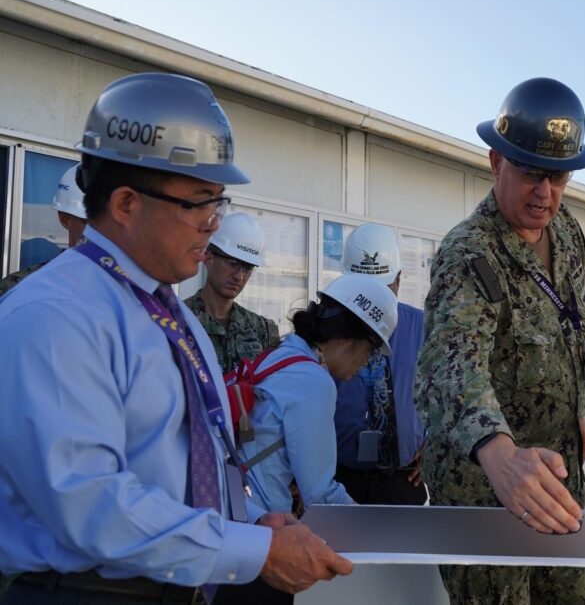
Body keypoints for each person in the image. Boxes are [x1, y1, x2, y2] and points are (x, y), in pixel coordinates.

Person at [0, 72, 350, 604]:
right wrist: (254, 551)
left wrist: (253, 522)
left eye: (218, 203)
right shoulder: (57, 315)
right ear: (125, 204)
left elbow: (184, 466)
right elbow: (90, 504)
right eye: (198, 203)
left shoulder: (169, 315)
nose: (213, 224)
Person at [416, 77, 585, 604]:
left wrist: (577, 410)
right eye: (531, 174)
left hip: (554, 480)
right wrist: (498, 451)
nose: (545, 194)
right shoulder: (469, 253)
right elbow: (450, 365)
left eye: (558, 177)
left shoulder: (567, 234)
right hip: (484, 492)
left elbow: (571, 328)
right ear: (496, 163)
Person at [218, 274, 397, 605]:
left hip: (234, 521)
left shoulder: (284, 353)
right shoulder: (314, 381)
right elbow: (320, 493)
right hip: (264, 539)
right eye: (371, 351)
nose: (367, 364)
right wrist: (379, 530)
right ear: (349, 339)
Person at [333, 223, 429, 505]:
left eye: (380, 290)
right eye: (363, 291)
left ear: (398, 280)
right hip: (339, 481)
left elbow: (453, 395)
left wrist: (436, 448)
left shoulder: (424, 328)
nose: (371, 303)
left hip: (403, 481)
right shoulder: (326, 328)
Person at [184, 211, 280, 373]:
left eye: (247, 268)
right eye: (233, 263)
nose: (239, 276)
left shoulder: (263, 330)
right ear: (208, 259)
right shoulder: (179, 320)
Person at [0, 163, 87, 296]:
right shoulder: (18, 289)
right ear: (65, 219)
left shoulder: (126, 290)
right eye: (90, 223)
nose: (105, 235)